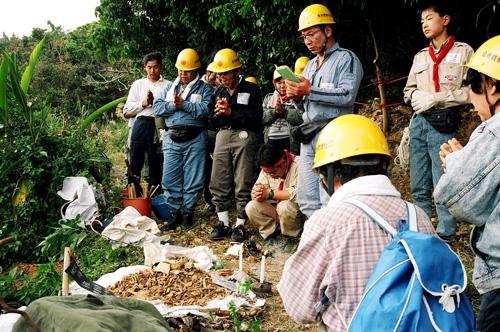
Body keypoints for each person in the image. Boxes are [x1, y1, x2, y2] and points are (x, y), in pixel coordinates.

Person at [278, 114, 436, 331]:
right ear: (383, 164)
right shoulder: (419, 216)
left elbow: (301, 310)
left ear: (330, 175)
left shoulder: (327, 222)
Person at [435, 35, 500, 332]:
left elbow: (462, 202)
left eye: (475, 87)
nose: (473, 102)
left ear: (492, 86)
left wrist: (456, 165)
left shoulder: (495, 131)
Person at [403, 2, 473, 243]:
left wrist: (437, 98)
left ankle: (446, 232)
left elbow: (472, 92)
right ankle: (422, 230)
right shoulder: (421, 56)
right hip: (419, 123)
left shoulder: (464, 52)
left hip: (443, 124)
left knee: (442, 180)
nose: (424, 24)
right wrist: (416, 97)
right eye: (421, 20)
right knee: (418, 183)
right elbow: (408, 89)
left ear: (445, 19)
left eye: (429, 18)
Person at [285, 4, 364, 218]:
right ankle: (315, 234)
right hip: (309, 135)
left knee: (330, 193)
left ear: (327, 31)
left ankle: (333, 238)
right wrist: (299, 97)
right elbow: (305, 108)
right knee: (307, 194)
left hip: (333, 135)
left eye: (311, 34)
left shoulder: (346, 59)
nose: (308, 41)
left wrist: (309, 89)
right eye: (304, 37)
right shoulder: (309, 66)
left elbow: (347, 95)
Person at [206, 48, 263, 243]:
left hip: (244, 134)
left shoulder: (251, 90)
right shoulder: (218, 91)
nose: (222, 78)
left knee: (243, 178)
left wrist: (232, 112)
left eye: (226, 74)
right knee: (218, 178)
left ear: (237, 71)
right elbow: (210, 120)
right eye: (219, 74)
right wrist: (218, 114)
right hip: (222, 134)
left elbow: (257, 119)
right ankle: (223, 223)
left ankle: (239, 225)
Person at [153, 49, 213, 230]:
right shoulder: (170, 87)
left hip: (195, 137)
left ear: (196, 70)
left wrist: (184, 105)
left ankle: (188, 213)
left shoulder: (205, 88)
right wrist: (174, 105)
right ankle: (174, 215)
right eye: (180, 70)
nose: (183, 73)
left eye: (186, 71)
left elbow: (206, 110)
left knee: (193, 178)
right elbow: (157, 107)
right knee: (169, 177)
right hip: (172, 136)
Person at [124, 53, 169, 193]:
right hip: (141, 122)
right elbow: (129, 107)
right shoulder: (138, 84)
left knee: (156, 160)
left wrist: (155, 103)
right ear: (145, 68)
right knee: (135, 159)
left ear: (161, 67)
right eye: (149, 67)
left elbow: (171, 106)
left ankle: (155, 192)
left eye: (155, 67)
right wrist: (144, 103)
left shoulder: (169, 85)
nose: (152, 71)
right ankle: (133, 190)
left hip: (158, 125)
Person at [245, 143, 304, 239]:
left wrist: (269, 193)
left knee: (284, 206)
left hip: (298, 212)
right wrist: (257, 194)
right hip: (278, 211)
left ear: (284, 163)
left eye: (273, 172)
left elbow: (299, 194)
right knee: (251, 206)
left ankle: (291, 236)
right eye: (267, 173)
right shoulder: (267, 168)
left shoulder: (300, 164)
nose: (271, 175)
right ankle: (273, 234)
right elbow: (259, 189)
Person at [262, 66, 304, 155]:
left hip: (290, 139)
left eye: (285, 82)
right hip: (271, 138)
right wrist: (275, 112)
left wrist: (285, 112)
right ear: (275, 84)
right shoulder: (269, 98)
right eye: (278, 83)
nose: (282, 86)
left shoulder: (297, 97)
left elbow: (302, 117)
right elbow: (262, 118)